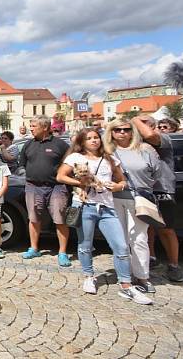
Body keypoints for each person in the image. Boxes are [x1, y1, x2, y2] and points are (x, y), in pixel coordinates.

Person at [56, 128, 152, 305]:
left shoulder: (109, 158)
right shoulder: (75, 158)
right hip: (85, 205)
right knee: (85, 244)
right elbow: (61, 176)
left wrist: (118, 187)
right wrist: (81, 183)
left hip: (107, 207)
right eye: (89, 138)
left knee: (121, 246)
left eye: (96, 138)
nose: (94, 141)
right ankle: (89, 276)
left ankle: (126, 285)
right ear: (82, 142)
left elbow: (122, 179)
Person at [104, 118, 159, 293]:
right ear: (111, 132)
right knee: (120, 240)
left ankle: (142, 277)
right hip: (114, 198)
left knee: (140, 239)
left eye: (126, 129)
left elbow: (157, 173)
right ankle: (124, 276)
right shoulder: (107, 151)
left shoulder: (145, 149)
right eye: (117, 129)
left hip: (140, 199)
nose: (122, 132)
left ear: (132, 131)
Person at [133, 115, 183, 282]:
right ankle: (151, 258)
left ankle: (174, 266)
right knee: (146, 228)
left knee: (166, 229)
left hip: (163, 189)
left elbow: (149, 135)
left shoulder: (164, 139)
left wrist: (135, 119)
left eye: (143, 124)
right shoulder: (136, 145)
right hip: (143, 189)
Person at [19, 115, 72, 266]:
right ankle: (34, 248)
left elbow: (69, 165)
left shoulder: (61, 145)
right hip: (33, 186)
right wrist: (24, 173)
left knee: (60, 219)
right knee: (34, 218)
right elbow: (22, 164)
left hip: (56, 186)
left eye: (34, 125)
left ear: (45, 127)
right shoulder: (28, 144)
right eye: (31, 125)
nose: (31, 128)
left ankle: (62, 252)